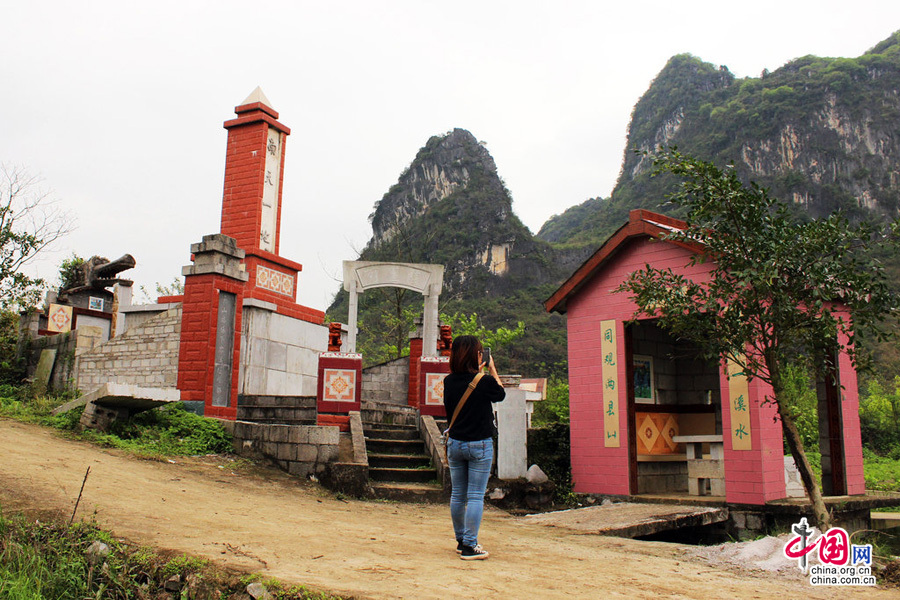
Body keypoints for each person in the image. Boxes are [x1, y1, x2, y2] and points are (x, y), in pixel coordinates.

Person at [443, 335, 505, 560]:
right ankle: (470, 545)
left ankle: (461, 540)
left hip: (456, 444)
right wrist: (492, 369)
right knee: (476, 496)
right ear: (477, 355)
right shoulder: (484, 381)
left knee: (458, 494)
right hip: (480, 445)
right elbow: (500, 394)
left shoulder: (448, 381)